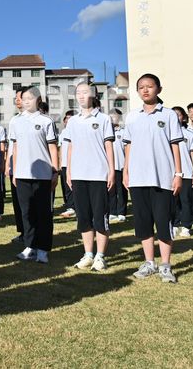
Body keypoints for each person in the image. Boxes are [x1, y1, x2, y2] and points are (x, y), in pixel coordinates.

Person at [122, 74, 183, 283]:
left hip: (163, 178)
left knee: (163, 221)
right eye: (141, 87)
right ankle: (149, 263)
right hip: (138, 179)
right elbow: (128, 146)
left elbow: (175, 145)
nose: (145, 90)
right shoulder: (132, 117)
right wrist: (126, 171)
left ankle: (165, 265)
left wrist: (178, 173)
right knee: (143, 222)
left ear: (159, 89)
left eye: (149, 86)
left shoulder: (169, 115)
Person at [65, 83, 115, 272]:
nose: (81, 96)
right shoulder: (73, 121)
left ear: (93, 95)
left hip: (99, 175)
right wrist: (69, 171)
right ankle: (88, 254)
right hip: (79, 175)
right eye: (78, 92)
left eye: (85, 92)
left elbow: (108, 146)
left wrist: (111, 171)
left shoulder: (103, 119)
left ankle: (100, 256)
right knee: (83, 217)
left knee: (100, 217)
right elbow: (71, 147)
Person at [9, 86, 59, 264]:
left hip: (42, 175)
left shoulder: (46, 121)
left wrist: (55, 171)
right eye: (24, 98)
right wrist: (14, 171)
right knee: (27, 213)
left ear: (38, 100)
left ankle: (43, 249)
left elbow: (53, 148)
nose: (26, 101)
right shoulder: (15, 121)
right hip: (22, 173)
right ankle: (30, 246)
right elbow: (15, 148)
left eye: (30, 98)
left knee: (43, 213)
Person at [172, 106, 193, 238]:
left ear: (183, 118)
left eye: (179, 114)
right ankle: (175, 224)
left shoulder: (189, 134)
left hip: (186, 173)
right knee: (172, 201)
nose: (176, 117)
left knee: (186, 200)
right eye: (173, 114)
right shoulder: (165, 132)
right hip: (170, 174)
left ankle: (187, 226)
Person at [6, 87, 28, 242]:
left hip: (29, 168)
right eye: (16, 98)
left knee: (29, 205)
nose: (17, 100)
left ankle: (32, 234)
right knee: (18, 203)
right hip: (15, 167)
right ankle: (23, 232)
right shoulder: (14, 120)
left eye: (19, 97)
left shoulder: (38, 119)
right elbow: (12, 145)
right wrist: (8, 164)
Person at [108, 109, 127, 223]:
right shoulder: (106, 131)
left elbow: (127, 149)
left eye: (115, 116)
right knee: (111, 190)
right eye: (111, 116)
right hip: (109, 167)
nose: (113, 118)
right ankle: (112, 211)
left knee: (121, 191)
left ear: (119, 118)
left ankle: (121, 212)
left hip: (121, 165)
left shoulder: (123, 132)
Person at [58, 111, 76, 218]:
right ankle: (69, 205)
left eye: (70, 118)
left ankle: (73, 206)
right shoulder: (63, 133)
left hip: (74, 164)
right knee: (65, 186)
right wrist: (60, 162)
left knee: (73, 185)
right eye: (67, 118)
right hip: (64, 164)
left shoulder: (76, 131)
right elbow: (61, 148)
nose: (68, 120)